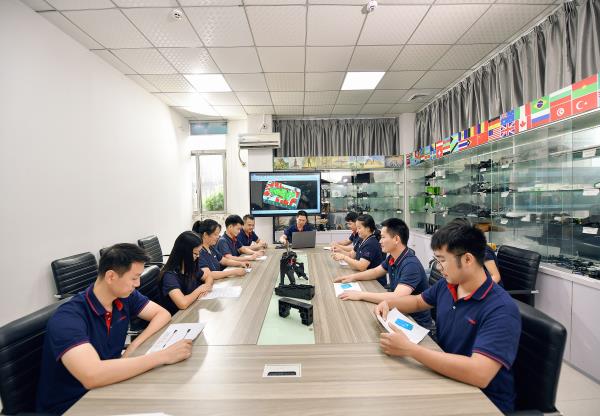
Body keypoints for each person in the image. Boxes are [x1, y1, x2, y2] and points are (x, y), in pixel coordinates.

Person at [376, 221, 521, 413]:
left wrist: (410, 350)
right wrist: (389, 303)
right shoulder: (449, 284)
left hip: (483, 400)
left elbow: (480, 373)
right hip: (447, 376)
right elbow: (418, 302)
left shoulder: (501, 309)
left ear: (467, 259)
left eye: (442, 260)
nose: (438, 267)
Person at [36, 244, 192, 414]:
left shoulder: (124, 296)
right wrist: (163, 356)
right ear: (111, 276)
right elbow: (92, 375)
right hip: (73, 405)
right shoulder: (68, 318)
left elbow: (162, 314)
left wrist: (134, 345)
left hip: (108, 387)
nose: (138, 284)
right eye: (134, 278)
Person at [334, 218, 432, 329]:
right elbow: (375, 271)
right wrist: (352, 277)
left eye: (383, 237)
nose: (380, 241)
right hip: (398, 312)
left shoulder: (410, 265)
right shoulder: (393, 257)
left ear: (396, 239)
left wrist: (360, 295)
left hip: (414, 322)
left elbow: (397, 297)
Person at [159, 231, 214, 316]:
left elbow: (208, 276)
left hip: (192, 310)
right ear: (184, 252)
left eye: (199, 252)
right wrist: (200, 289)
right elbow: (183, 303)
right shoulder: (169, 276)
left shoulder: (190, 266)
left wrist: (206, 286)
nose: (198, 256)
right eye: (195, 253)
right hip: (178, 317)